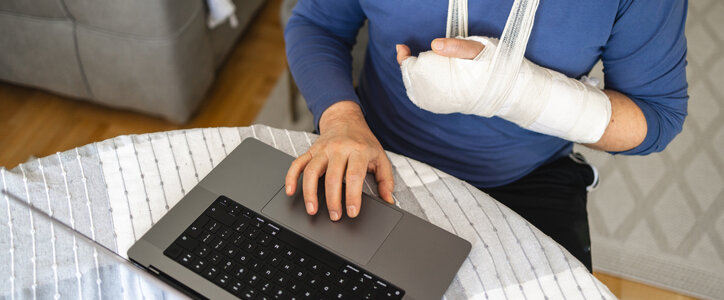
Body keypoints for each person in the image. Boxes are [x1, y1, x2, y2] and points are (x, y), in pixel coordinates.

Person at [282, 0, 688, 271]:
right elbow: (317, 23)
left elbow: (657, 114)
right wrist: (341, 119)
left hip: (526, 178)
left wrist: (518, 92)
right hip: (372, 148)